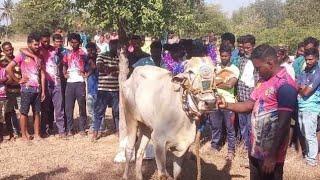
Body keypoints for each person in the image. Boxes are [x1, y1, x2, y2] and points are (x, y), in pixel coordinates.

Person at [218, 44, 298, 180]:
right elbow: (249, 104)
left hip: (271, 156)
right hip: (255, 149)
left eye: (258, 68)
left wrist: (272, 156)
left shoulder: (285, 86)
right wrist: (225, 104)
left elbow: (283, 125)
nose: (257, 72)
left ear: (270, 63)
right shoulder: (263, 81)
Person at [6, 32, 46, 141]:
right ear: (29, 44)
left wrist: (43, 90)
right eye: (35, 45)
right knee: (24, 113)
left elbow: (42, 74)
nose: (37, 47)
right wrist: (18, 80)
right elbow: (8, 68)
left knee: (37, 112)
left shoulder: (40, 56)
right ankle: (24, 136)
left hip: (37, 90)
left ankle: (37, 135)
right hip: (26, 90)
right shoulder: (22, 56)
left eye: (38, 44)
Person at [208, 44, 239, 160]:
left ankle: (231, 150)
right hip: (215, 101)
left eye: (226, 56)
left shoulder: (234, 69)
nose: (224, 58)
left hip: (229, 103)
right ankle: (214, 146)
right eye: (222, 56)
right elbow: (209, 83)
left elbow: (230, 84)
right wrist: (221, 82)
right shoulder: (215, 68)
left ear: (230, 56)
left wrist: (216, 83)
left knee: (230, 127)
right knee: (215, 126)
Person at [63, 33, 95, 136]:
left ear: (80, 42)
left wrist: (86, 75)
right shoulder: (67, 54)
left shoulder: (83, 53)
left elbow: (93, 66)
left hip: (80, 83)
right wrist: (64, 74)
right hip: (69, 84)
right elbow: (64, 65)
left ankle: (82, 128)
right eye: (71, 42)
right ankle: (70, 129)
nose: (73, 44)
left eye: (76, 42)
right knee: (69, 107)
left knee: (82, 106)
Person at [296, 48, 320, 166]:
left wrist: (301, 87)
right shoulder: (305, 71)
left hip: (311, 108)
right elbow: (296, 84)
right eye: (307, 59)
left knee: (310, 135)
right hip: (301, 106)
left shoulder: (318, 73)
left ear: (317, 59)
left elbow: (306, 92)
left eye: (311, 59)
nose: (308, 62)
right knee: (304, 133)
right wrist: (302, 86)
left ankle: (312, 161)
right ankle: (308, 156)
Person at [92, 40, 120, 141]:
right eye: (113, 46)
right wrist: (116, 68)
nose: (115, 48)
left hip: (116, 89)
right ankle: (95, 132)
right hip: (103, 88)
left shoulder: (120, 58)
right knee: (99, 111)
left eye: (117, 46)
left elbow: (123, 70)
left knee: (117, 112)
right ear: (109, 46)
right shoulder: (102, 56)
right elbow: (100, 67)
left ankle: (118, 131)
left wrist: (110, 68)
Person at [237, 34, 259, 151]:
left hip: (252, 99)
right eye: (244, 48)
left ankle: (252, 147)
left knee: (252, 125)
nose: (245, 50)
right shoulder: (241, 60)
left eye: (248, 48)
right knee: (243, 124)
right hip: (241, 97)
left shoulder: (258, 61)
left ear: (253, 46)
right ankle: (245, 146)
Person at [2, 42, 20, 138]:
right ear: (3, 51)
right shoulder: (2, 62)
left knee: (21, 111)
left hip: (19, 89)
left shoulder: (17, 59)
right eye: (7, 50)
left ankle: (19, 130)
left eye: (10, 49)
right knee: (9, 112)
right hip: (8, 90)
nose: (9, 51)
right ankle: (12, 132)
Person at [85, 42, 103, 134]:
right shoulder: (86, 59)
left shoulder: (100, 58)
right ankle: (93, 126)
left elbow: (95, 67)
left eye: (91, 50)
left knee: (99, 109)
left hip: (100, 87)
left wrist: (87, 74)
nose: (90, 52)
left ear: (95, 49)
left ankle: (100, 127)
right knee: (91, 110)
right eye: (88, 50)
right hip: (90, 88)